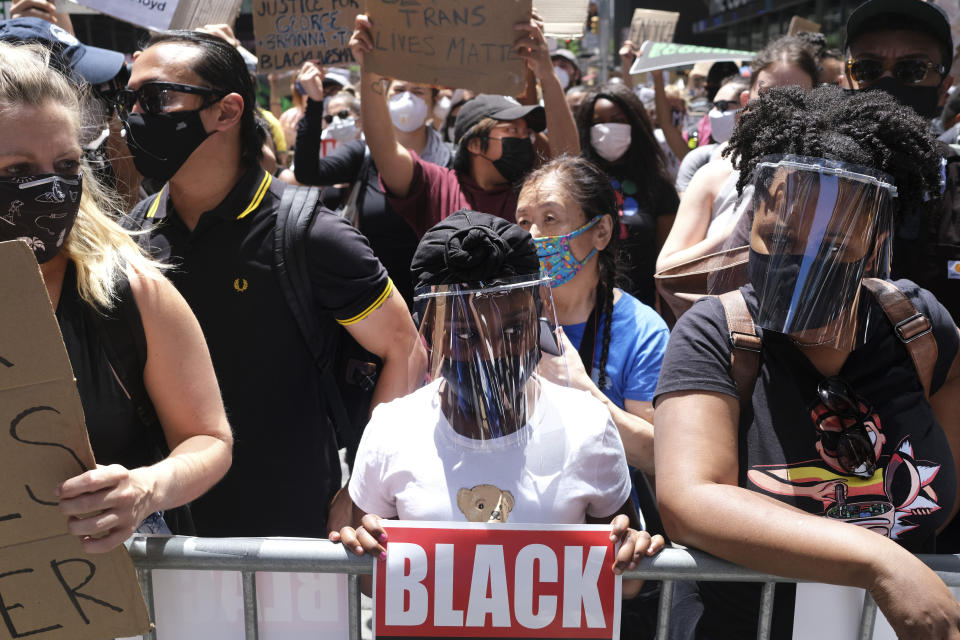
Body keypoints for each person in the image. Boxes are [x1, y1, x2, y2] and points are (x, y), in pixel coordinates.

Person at [655, 84, 959, 639]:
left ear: (877, 239)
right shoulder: (715, 332)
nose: (802, 262)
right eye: (779, 237)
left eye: (833, 245)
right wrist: (879, 562)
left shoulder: (919, 329)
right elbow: (689, 498)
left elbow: (947, 488)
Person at [118, 30, 425, 538]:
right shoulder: (133, 236)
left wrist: (362, 489)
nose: (134, 116)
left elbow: (405, 348)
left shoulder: (307, 232)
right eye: (128, 100)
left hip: (293, 536)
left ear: (227, 111)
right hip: (167, 541)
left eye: (156, 98)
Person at [329, 210, 664, 599]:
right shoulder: (392, 430)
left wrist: (633, 553)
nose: (492, 354)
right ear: (432, 333)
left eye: (512, 329)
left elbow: (624, 582)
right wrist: (360, 547)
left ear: (538, 319)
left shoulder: (587, 425)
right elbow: (373, 583)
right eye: (465, 333)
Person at [0, 41, 233, 550]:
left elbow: (209, 440)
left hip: (98, 599)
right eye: (17, 172)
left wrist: (147, 488)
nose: (50, 191)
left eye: (65, 167)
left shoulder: (131, 292)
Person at [347, 12, 580, 238]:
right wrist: (371, 70)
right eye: (512, 130)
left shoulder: (532, 190)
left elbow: (567, 161)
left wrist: (547, 74)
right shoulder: (436, 187)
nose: (523, 139)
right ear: (476, 143)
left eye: (526, 132)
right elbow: (383, 148)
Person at [517, 156, 668, 471]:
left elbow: (658, 456)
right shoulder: (504, 319)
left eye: (550, 218)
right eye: (523, 222)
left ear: (601, 231)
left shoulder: (644, 331)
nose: (533, 235)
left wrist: (583, 390)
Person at [656, 35, 818, 277]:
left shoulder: (831, 178)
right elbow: (667, 269)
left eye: (797, 96)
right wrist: (739, 228)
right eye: (769, 93)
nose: (782, 106)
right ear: (746, 100)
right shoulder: (713, 175)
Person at [843, 0, 960, 325]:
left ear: (943, 88)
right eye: (867, 69)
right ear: (846, 80)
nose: (888, 83)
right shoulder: (806, 181)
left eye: (912, 70)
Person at [295, 77, 453, 305]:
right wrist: (315, 102)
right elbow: (308, 173)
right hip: (374, 303)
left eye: (418, 91)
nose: (407, 98)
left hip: (438, 305)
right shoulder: (362, 155)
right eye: (398, 90)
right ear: (385, 101)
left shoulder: (452, 161)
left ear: (433, 105)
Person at [575, 82, 679, 308]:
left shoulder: (658, 186)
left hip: (640, 311)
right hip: (583, 310)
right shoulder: (575, 182)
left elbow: (667, 265)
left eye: (617, 120)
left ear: (634, 123)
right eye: (597, 122)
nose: (607, 128)